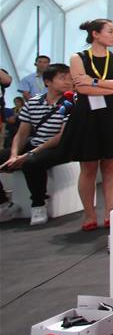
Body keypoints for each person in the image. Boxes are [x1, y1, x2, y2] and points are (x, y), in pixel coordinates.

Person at [62, 19, 113, 231]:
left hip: (112, 115)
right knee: (88, 168)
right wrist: (112, 89)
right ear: (95, 34)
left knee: (110, 166)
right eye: (110, 32)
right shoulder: (78, 58)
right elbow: (82, 88)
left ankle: (110, 213)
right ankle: (89, 215)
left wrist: (94, 81)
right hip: (86, 115)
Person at [0, 64, 74, 225]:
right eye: (62, 78)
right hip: (35, 143)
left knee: (31, 162)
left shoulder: (71, 102)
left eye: (70, 78)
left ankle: (38, 204)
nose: (68, 82)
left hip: (61, 147)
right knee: (5, 157)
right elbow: (22, 133)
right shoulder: (33, 102)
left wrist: (30, 154)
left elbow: (61, 136)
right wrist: (14, 155)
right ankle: (4, 203)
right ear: (48, 82)